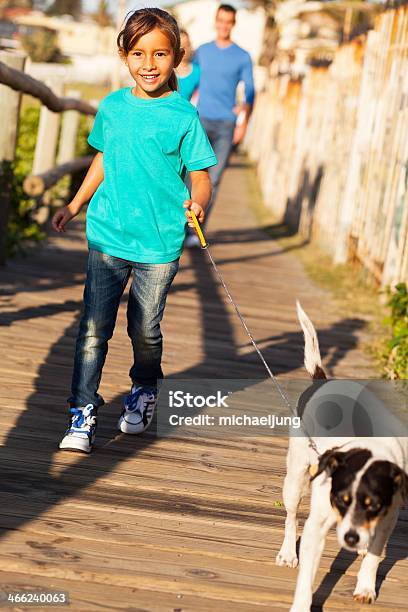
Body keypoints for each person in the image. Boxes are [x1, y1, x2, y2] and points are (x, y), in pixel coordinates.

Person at [51, 8, 217, 454]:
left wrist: (198, 200)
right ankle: (81, 410)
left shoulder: (183, 115)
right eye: (139, 53)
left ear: (176, 57)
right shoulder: (112, 107)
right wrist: (75, 203)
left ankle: (144, 388)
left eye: (160, 53)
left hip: (159, 244)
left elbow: (200, 173)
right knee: (92, 328)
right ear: (124, 54)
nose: (149, 63)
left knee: (145, 330)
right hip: (107, 236)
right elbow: (103, 158)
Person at [185, 3, 255, 247]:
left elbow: (250, 92)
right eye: (220, 20)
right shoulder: (202, 52)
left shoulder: (242, 56)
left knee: (213, 179)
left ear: (233, 24)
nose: (224, 25)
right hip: (199, 120)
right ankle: (180, 225)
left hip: (226, 124)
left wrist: (242, 123)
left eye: (228, 21)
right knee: (190, 176)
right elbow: (186, 78)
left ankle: (196, 231)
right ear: (216, 21)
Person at [176, 29, 200, 102]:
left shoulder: (197, 72)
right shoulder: (167, 70)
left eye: (187, 45)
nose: (184, 49)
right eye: (181, 46)